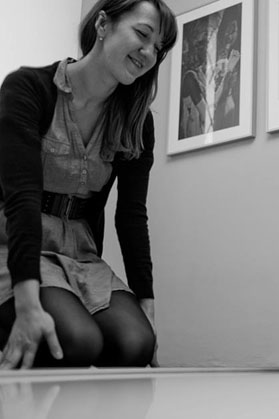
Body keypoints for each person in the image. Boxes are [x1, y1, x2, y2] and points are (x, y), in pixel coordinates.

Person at [0, 0, 177, 369]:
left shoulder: (136, 121)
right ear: (102, 24)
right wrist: (27, 306)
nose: (148, 54)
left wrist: (147, 305)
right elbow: (22, 199)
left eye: (157, 48)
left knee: (136, 344)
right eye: (142, 35)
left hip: (80, 254)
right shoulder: (28, 89)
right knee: (76, 342)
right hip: (13, 244)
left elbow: (131, 215)